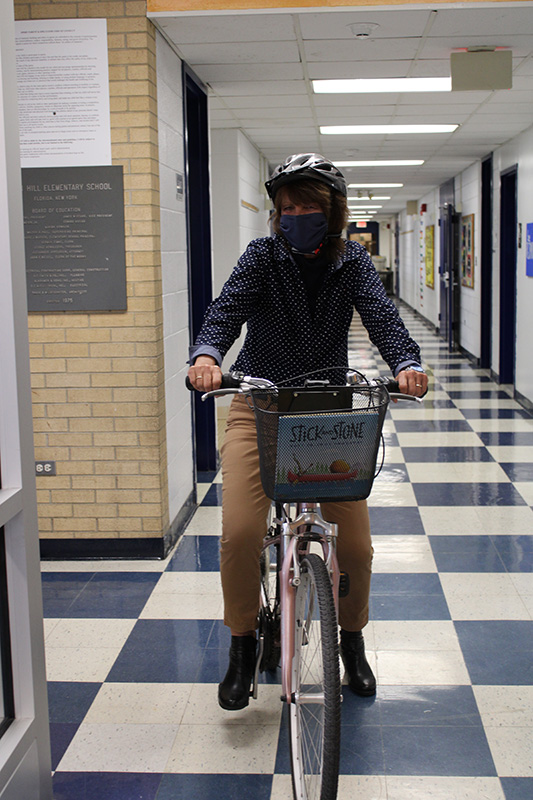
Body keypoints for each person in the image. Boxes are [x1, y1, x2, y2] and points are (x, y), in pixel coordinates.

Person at [188, 153, 428, 710]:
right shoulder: (261, 257)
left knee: (360, 548)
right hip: (261, 404)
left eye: (308, 206)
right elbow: (225, 313)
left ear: (332, 212)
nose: (295, 215)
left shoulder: (354, 263)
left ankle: (351, 640)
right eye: (286, 207)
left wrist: (406, 365)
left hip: (328, 409)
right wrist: (207, 355)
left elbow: (383, 319)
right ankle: (243, 644)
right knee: (243, 533)